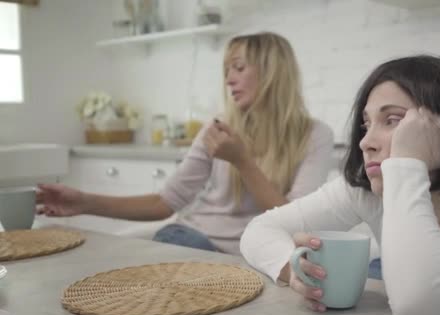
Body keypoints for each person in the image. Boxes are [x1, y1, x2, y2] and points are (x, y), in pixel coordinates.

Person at [240, 55, 440, 315]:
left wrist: (406, 166)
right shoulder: (368, 192)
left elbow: (419, 306)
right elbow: (260, 230)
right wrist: (290, 269)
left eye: (393, 120)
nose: (365, 142)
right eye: (366, 123)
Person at [37, 32, 334, 255]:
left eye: (239, 68)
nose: (229, 79)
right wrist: (83, 202)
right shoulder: (217, 129)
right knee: (176, 238)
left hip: (259, 252)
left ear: (272, 73)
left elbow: (295, 222)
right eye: (227, 70)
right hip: (196, 240)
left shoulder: (316, 136)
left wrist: (242, 161)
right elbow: (163, 203)